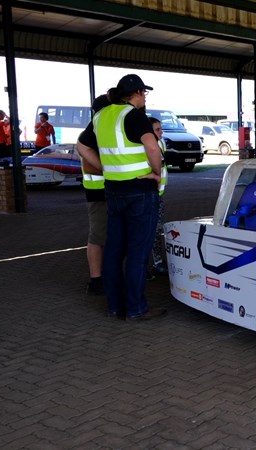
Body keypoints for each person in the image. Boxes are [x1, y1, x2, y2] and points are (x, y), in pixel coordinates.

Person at [75, 74, 166, 321]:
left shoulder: (101, 116)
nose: (145, 97)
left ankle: (115, 306)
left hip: (113, 190)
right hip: (139, 190)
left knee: (114, 250)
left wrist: (105, 168)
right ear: (136, 93)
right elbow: (152, 146)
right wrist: (156, 173)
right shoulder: (134, 115)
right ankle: (136, 308)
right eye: (144, 93)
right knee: (138, 251)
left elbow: (81, 147)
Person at [79, 95, 111, 296]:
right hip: (99, 194)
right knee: (98, 237)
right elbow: (90, 164)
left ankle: (104, 276)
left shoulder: (101, 130)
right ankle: (96, 280)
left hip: (109, 192)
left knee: (107, 237)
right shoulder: (93, 133)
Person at [148, 117, 169, 278]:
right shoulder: (145, 147)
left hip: (159, 195)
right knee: (151, 231)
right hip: (149, 195)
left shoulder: (160, 144)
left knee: (157, 230)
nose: (161, 132)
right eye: (157, 130)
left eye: (161, 129)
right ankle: (155, 263)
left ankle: (158, 262)